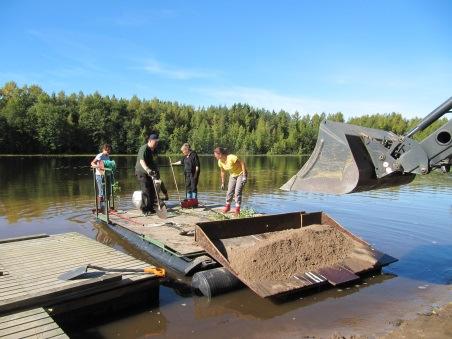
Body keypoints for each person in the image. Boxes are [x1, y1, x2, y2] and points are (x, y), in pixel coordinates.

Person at [135, 134, 169, 216]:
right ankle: (144, 209)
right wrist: (147, 169)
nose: (157, 144)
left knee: (152, 191)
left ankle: (150, 208)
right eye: (155, 142)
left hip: (150, 173)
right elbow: (141, 161)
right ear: (150, 141)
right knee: (146, 190)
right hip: (142, 172)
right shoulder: (144, 148)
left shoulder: (152, 150)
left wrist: (155, 170)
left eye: (157, 142)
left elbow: (152, 162)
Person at [213, 147, 247, 215]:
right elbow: (222, 172)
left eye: (215, 154)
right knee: (229, 191)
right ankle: (227, 207)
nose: (214, 156)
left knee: (237, 192)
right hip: (232, 175)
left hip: (241, 174)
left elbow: (242, 163)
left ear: (220, 154)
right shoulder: (220, 162)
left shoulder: (231, 157)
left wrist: (244, 175)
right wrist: (222, 183)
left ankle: (237, 210)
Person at [91, 144, 112, 211]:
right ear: (103, 150)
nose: (108, 151)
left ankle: (106, 207)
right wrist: (98, 167)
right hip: (99, 175)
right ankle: (101, 208)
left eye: (109, 150)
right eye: (107, 150)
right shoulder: (100, 155)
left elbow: (107, 165)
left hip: (106, 175)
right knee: (101, 191)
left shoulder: (107, 156)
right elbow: (92, 163)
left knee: (108, 191)